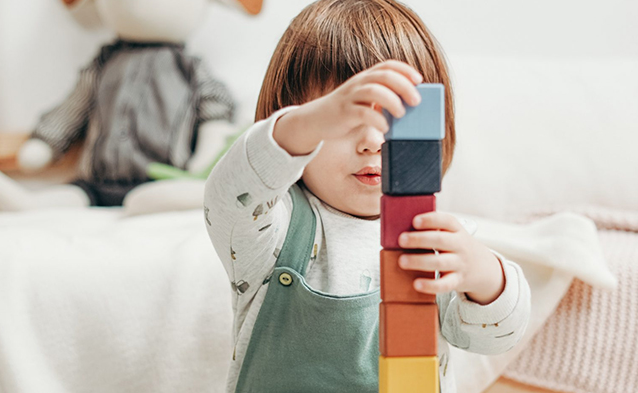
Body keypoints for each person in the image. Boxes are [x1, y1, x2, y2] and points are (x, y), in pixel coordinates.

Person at [204, 0, 531, 391]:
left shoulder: (435, 240)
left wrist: (485, 275)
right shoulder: (272, 230)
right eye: (346, 121)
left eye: (396, 121)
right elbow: (230, 194)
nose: (373, 142)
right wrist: (310, 122)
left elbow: (494, 336)